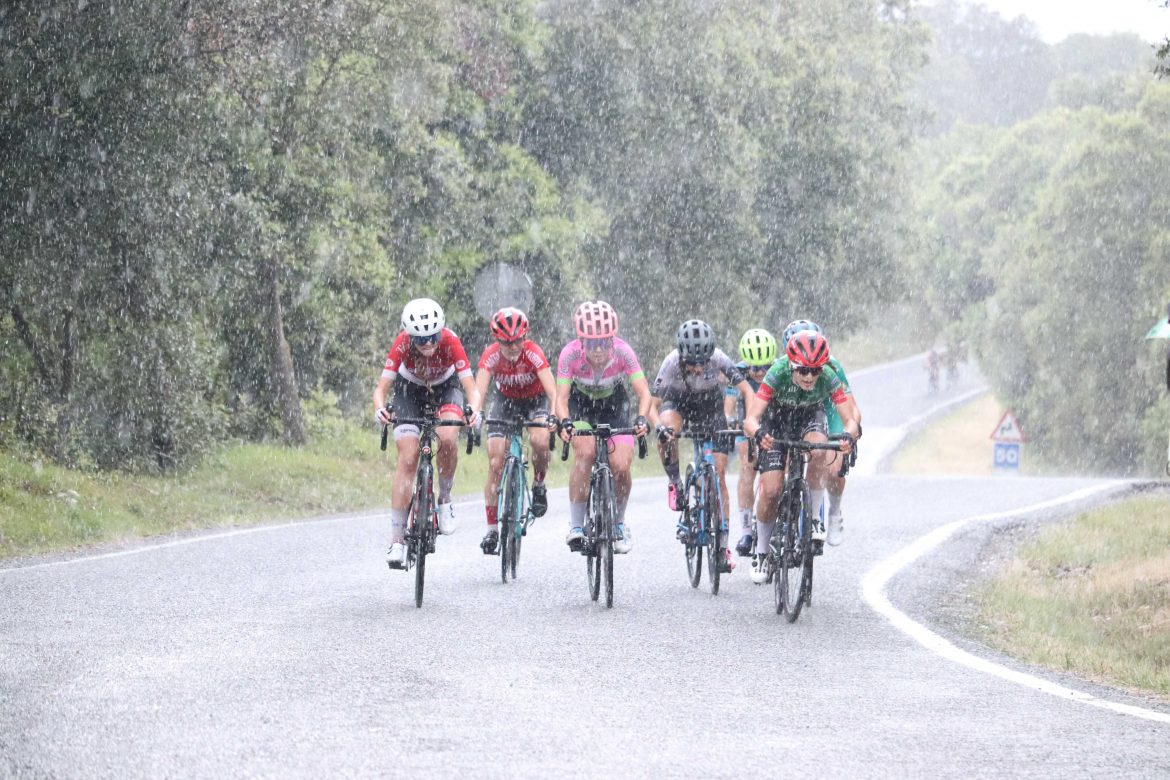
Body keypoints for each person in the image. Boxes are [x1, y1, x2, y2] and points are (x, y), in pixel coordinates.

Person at [741, 330, 859, 583]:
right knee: (771, 490)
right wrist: (759, 433)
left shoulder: (828, 376)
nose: (809, 376)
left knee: (818, 450)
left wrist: (848, 436)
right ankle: (761, 550)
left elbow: (850, 420)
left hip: (809, 416)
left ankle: (814, 517)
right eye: (803, 370)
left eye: (815, 371)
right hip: (776, 420)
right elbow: (750, 419)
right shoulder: (777, 373)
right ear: (792, 365)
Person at [373, 298, 481, 569]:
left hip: (446, 388)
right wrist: (379, 409)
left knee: (447, 437)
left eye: (433, 337)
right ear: (410, 337)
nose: (429, 345)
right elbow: (381, 390)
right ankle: (397, 540)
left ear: (440, 332)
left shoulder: (451, 341)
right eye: (421, 340)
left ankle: (445, 498)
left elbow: (471, 387)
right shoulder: (401, 343)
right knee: (408, 458)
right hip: (409, 392)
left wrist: (475, 410)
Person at [649, 319, 752, 573]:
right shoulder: (671, 362)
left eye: (702, 362)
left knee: (718, 475)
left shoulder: (719, 359)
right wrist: (659, 427)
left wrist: (748, 418)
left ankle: (723, 546)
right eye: (692, 363)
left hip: (710, 406)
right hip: (679, 403)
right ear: (682, 356)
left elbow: (747, 391)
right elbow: (651, 406)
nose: (697, 368)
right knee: (666, 429)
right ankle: (675, 481)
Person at [554, 300, 651, 554]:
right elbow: (561, 398)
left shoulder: (624, 352)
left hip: (615, 405)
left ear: (612, 340)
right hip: (581, 406)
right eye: (592, 343)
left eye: (604, 342)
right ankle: (576, 526)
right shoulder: (570, 354)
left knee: (620, 465)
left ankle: (619, 523)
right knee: (585, 453)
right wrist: (564, 422)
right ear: (581, 341)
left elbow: (644, 394)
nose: (598, 350)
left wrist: (641, 419)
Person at [470, 307, 557, 554]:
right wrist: (475, 414)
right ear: (497, 340)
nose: (513, 346)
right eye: (506, 342)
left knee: (540, 441)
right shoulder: (491, 356)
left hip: (536, 401)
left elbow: (553, 393)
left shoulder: (533, 353)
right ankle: (491, 529)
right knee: (496, 460)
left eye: (518, 340)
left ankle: (539, 483)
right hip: (505, 402)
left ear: (525, 336)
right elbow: (479, 392)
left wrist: (553, 416)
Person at [781, 319, 862, 547]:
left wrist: (849, 433)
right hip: (796, 410)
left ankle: (834, 513)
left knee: (833, 468)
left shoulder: (832, 366)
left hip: (828, 408)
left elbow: (852, 408)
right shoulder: (782, 369)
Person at [726, 328, 777, 558]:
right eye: (755, 368)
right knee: (747, 466)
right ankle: (746, 530)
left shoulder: (779, 369)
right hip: (746, 420)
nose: (760, 373)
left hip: (773, 420)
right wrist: (729, 421)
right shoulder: (738, 371)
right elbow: (729, 404)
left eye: (765, 367)